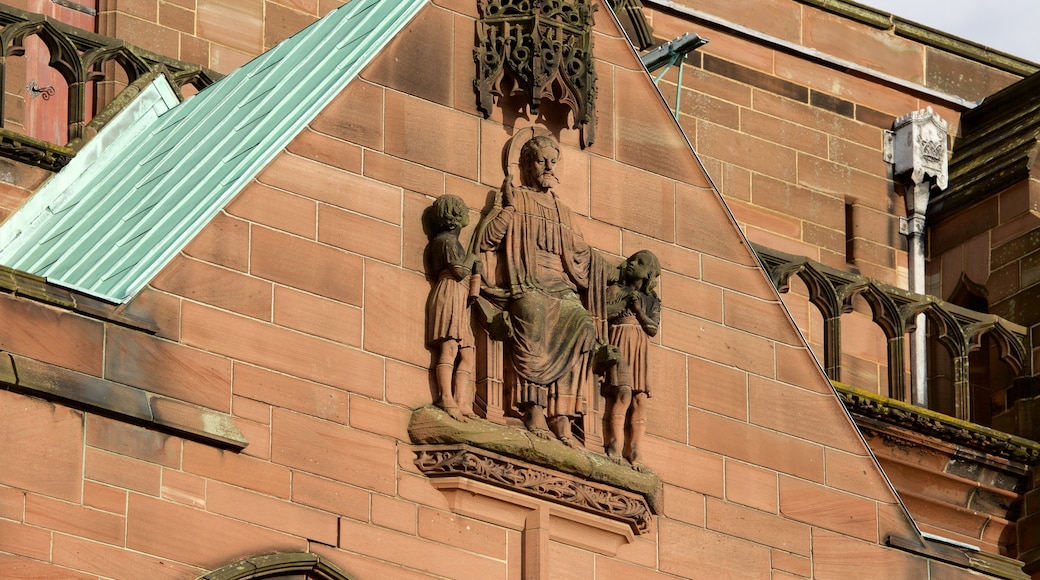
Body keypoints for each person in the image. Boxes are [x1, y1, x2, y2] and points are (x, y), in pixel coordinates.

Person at [477, 135, 611, 447]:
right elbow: (486, 241)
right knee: (532, 312)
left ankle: (561, 412)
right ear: (525, 166)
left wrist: (614, 271)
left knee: (582, 324)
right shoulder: (518, 199)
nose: (549, 166)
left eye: (553, 160)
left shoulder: (563, 212)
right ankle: (533, 407)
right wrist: (508, 209)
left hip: (562, 286)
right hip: (528, 282)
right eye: (541, 160)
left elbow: (582, 257)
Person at [602, 250, 661, 471]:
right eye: (632, 260)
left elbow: (652, 328)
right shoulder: (616, 289)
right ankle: (614, 445)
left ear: (648, 274)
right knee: (623, 393)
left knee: (640, 399)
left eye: (640, 263)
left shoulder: (652, 299)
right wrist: (624, 302)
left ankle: (635, 452)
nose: (632, 264)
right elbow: (601, 312)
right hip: (620, 338)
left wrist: (638, 310)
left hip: (640, 344)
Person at [423, 194, 480, 421]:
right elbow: (459, 271)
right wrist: (472, 258)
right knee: (449, 348)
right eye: (463, 208)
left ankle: (462, 400)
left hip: (461, 295)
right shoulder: (445, 241)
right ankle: (445, 397)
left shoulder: (453, 242)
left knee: (468, 353)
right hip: (450, 292)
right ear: (454, 214)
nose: (467, 211)